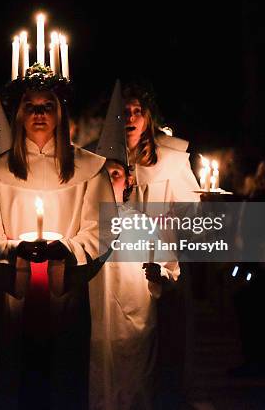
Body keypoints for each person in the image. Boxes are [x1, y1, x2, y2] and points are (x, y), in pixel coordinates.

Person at [0, 64, 115, 410]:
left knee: (64, 378)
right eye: (31, 106)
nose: (39, 113)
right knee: (18, 380)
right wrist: (17, 251)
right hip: (14, 297)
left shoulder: (90, 170)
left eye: (47, 105)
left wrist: (64, 251)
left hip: (66, 293)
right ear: (19, 114)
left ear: (61, 113)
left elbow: (102, 231)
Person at [89, 81, 182, 410]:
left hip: (135, 323)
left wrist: (158, 276)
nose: (110, 181)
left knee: (134, 384)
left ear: (128, 180)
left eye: (116, 175)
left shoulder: (144, 225)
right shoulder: (84, 226)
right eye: (104, 175)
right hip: (95, 325)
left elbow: (171, 267)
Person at [122, 83, 201, 406]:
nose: (131, 117)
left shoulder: (169, 160)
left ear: (147, 118)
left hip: (160, 261)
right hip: (119, 269)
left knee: (165, 339)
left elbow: (190, 212)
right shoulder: (100, 156)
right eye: (124, 112)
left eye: (137, 112)